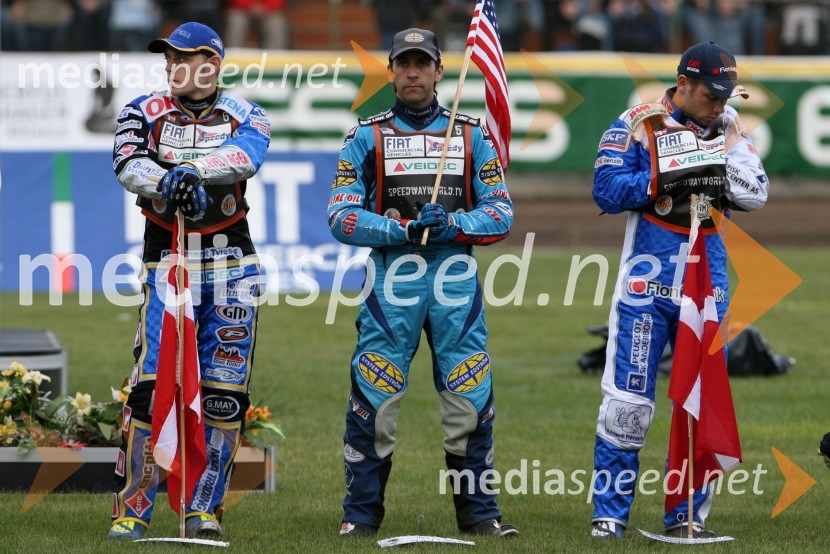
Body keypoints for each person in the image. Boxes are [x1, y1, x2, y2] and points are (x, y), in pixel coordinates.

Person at [328, 28, 518, 538]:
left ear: (439, 71)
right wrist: (399, 229)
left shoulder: (473, 134)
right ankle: (360, 516)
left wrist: (455, 225)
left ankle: (479, 516)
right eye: (403, 63)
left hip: (454, 274)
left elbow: (502, 214)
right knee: (376, 396)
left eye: (423, 63)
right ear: (390, 71)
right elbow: (339, 215)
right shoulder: (365, 135)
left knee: (469, 396)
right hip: (394, 276)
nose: (413, 72)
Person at [589, 41, 768, 539]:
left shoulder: (729, 125)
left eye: (726, 94)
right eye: (711, 94)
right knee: (627, 403)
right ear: (682, 85)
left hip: (706, 292)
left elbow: (755, 192)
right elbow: (606, 189)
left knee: (698, 402)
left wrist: (712, 167)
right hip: (645, 288)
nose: (719, 104)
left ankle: (685, 516)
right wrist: (666, 176)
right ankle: (609, 517)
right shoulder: (637, 123)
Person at [107, 22, 271, 540]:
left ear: (214, 63)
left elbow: (249, 154)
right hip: (167, 264)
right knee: (150, 388)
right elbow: (127, 163)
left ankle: (204, 509)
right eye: (170, 58)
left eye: (188, 57)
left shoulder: (245, 112)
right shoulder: (141, 109)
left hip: (232, 267)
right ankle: (133, 507)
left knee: (224, 395)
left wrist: (193, 171)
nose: (175, 66)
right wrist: (167, 181)